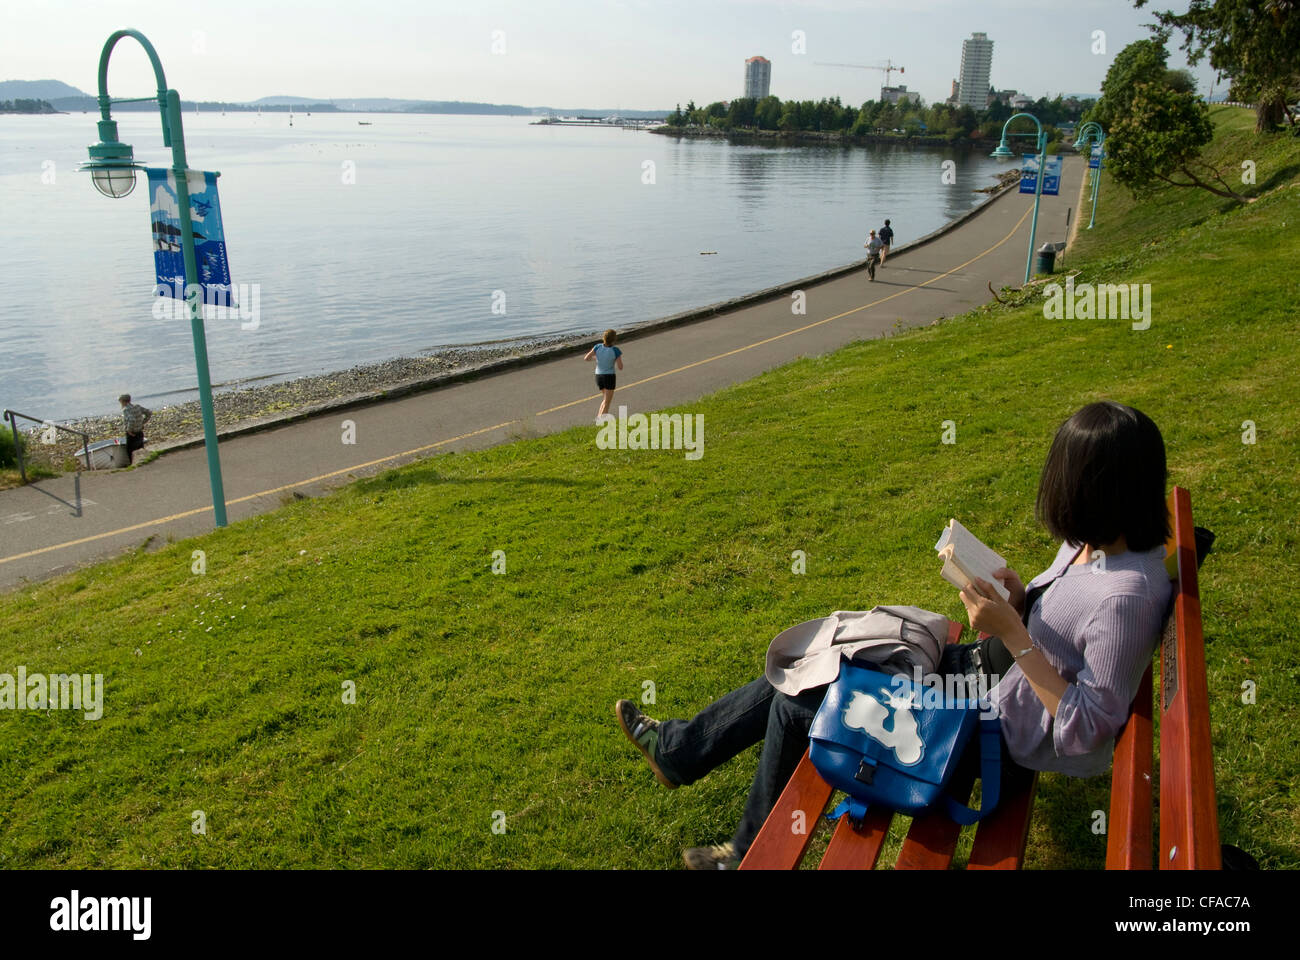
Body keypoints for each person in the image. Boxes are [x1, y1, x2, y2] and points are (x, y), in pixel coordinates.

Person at [615, 401, 1173, 869]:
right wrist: (1021, 603)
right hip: (976, 675)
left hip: (985, 729)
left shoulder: (1124, 598)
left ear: (1095, 492)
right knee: (831, 651)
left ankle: (740, 849)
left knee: (795, 704)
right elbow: (1064, 636)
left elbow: (1087, 731)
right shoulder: (1097, 543)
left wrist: (1014, 633)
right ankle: (682, 754)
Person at [583, 329, 623, 422]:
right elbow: (620, 367)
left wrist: (596, 358)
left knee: (605, 399)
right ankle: (600, 420)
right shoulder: (615, 350)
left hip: (599, 376)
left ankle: (600, 417)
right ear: (614, 339)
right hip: (609, 376)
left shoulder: (597, 347)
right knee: (607, 401)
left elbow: (586, 358)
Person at [118, 393, 153, 464]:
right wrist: (143, 422)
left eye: (120, 402)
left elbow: (131, 419)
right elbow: (149, 413)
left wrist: (129, 430)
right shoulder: (137, 406)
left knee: (130, 451)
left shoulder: (126, 409)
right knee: (140, 449)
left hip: (132, 434)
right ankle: (144, 462)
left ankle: (134, 464)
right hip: (139, 431)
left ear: (123, 401)